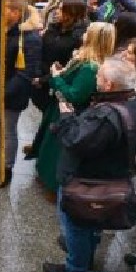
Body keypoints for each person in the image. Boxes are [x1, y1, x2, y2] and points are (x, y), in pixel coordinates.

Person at [42, 58, 136, 272]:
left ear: (109, 85)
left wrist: (66, 115)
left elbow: (76, 141)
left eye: (99, 76)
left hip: (86, 181)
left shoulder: (105, 115)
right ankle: (86, 247)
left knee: (77, 224)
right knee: (93, 222)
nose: (95, 78)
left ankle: (75, 267)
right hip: (113, 174)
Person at [32, 22, 115, 195]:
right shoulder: (86, 60)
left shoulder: (90, 67)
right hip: (61, 108)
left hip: (68, 112)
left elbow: (74, 95)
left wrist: (56, 77)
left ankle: (52, 185)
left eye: (88, 32)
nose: (83, 34)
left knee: (56, 150)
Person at [2, 0, 42, 183]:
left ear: (16, 13)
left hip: (11, 94)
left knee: (9, 130)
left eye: (6, 9)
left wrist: (2, 94)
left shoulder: (30, 38)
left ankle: (7, 168)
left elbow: (25, 74)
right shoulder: (9, 31)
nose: (2, 12)